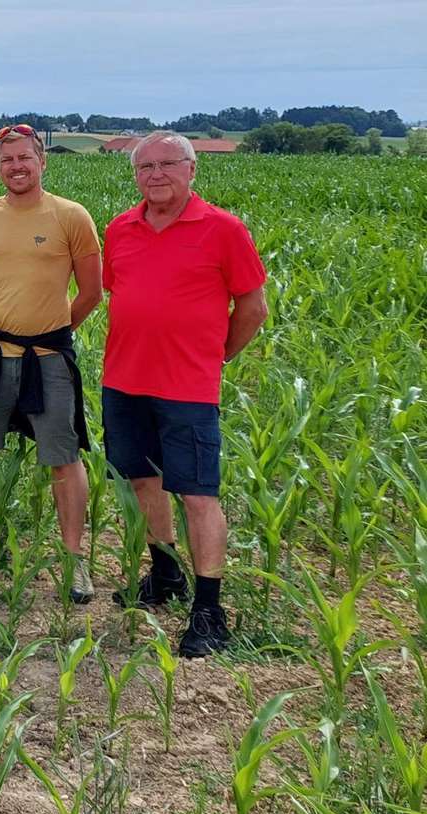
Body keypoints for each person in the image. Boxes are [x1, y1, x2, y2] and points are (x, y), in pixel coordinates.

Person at [100, 130, 268, 656]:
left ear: (192, 170)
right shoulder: (121, 229)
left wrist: (214, 358)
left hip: (188, 388)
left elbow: (253, 307)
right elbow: (120, 294)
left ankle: (209, 609)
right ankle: (166, 574)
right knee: (142, 479)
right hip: (124, 380)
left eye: (168, 164)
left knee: (198, 493)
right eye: (145, 167)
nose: (156, 176)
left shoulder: (223, 229)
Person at [0, 123, 100, 604]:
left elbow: (91, 292)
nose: (16, 166)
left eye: (24, 158)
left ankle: (74, 559)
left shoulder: (71, 216)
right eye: (6, 160)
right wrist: (8, 326)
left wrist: (51, 331)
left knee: (63, 454)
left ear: (42, 161)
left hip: (50, 357)